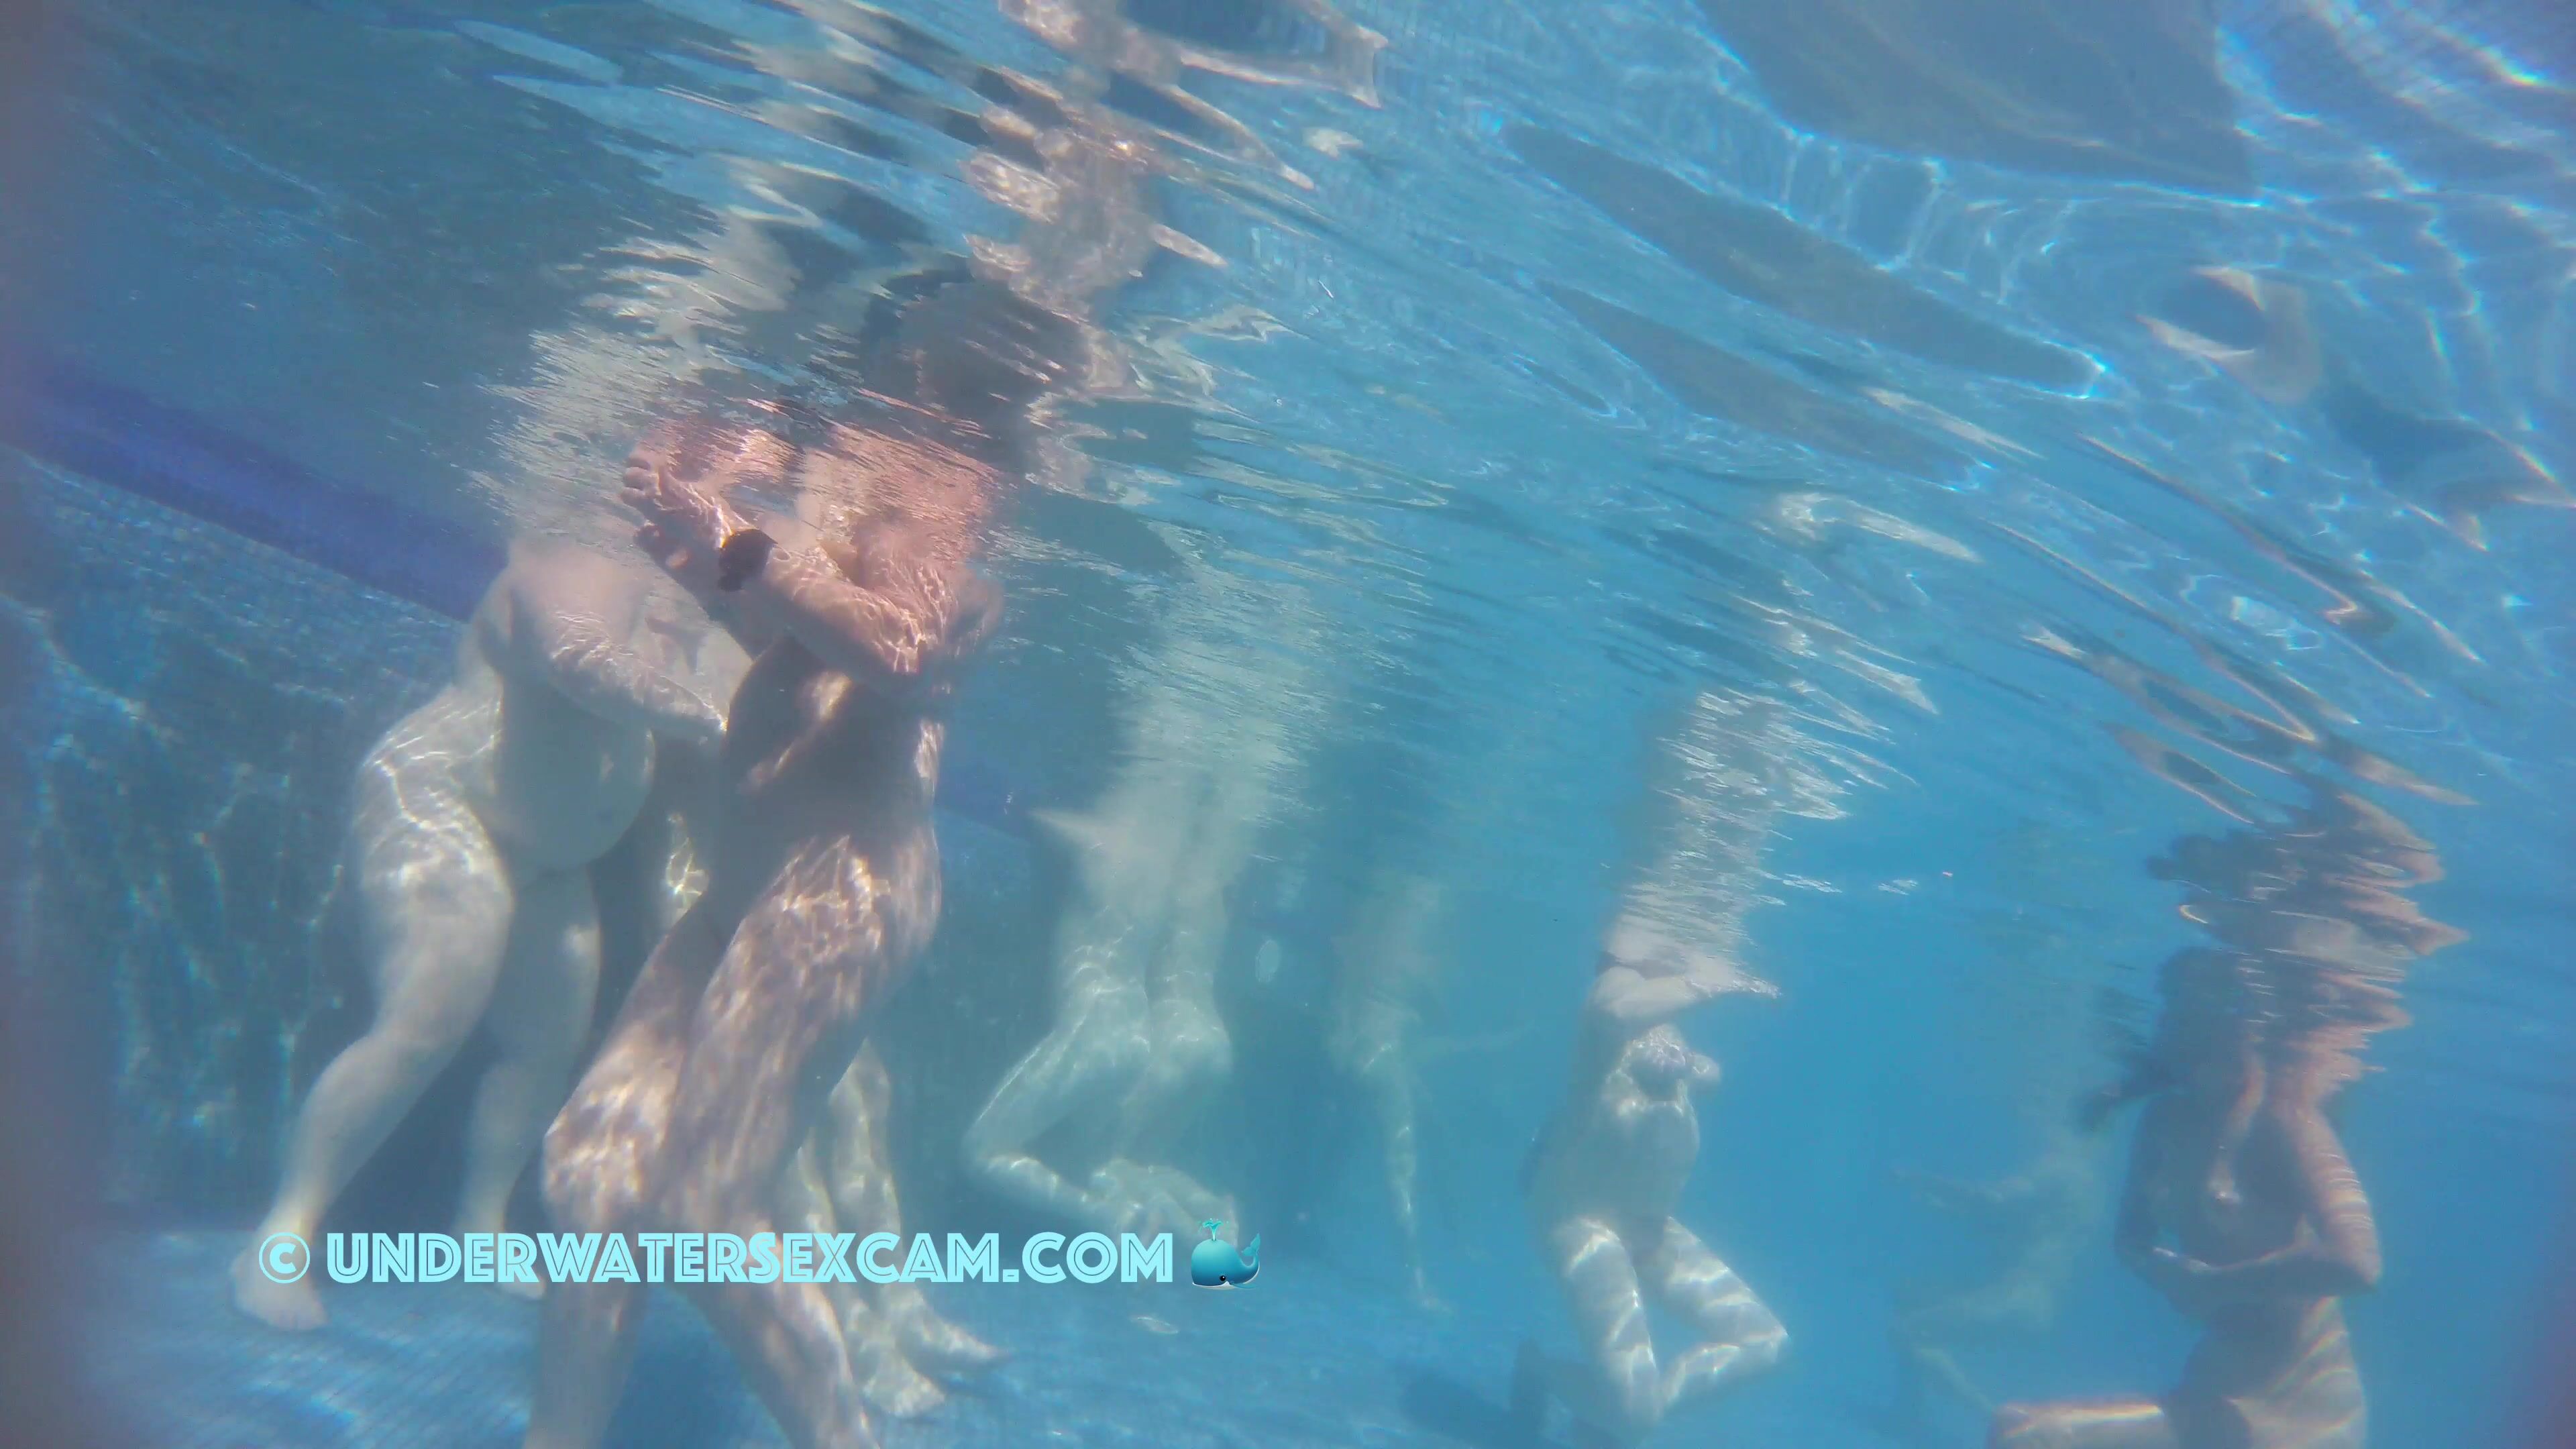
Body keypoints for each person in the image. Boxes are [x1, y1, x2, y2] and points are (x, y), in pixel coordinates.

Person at [524, 405, 1002, 1449]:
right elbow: (807, 658)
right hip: (744, 894)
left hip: (841, 889)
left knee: (708, 1207)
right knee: (587, 1170)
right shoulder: (857, 525)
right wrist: (712, 574)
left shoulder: (939, 511)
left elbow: (903, 652)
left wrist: (734, 535)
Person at [232, 541, 734, 1331]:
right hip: (447, 805)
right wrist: (709, 716)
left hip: (552, 865)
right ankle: (282, 1237)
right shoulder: (582, 555)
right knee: (425, 1021)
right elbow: (580, 663)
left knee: (546, 1047)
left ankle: (481, 1226)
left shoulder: (684, 612)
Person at [1988, 948, 2379, 1449]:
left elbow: (2358, 1265)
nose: (2171, 1026)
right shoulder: (2164, 1120)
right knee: (2017, 1428)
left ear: (2239, 1025)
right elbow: (2131, 1240)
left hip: (2303, 1404)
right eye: (2172, 1011)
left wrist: (2216, 1285)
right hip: (2217, 1381)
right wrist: (2165, 1272)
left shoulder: (2285, 1117)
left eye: (2190, 1012)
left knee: (2031, 1438)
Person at [1517, 934, 1787, 1444]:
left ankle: (1621, 1407)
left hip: (1652, 1223)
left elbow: (1706, 1074)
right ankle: (1542, 1370)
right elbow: (1614, 1014)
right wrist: (1710, 983)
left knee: (1765, 1341)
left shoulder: (1661, 1017)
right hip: (1584, 1220)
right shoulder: (1617, 984)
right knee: (1635, 1417)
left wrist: (1693, 1066)